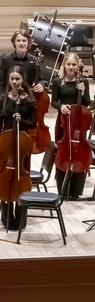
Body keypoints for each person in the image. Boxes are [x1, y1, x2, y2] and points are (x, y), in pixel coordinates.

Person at [0, 66, 36, 230]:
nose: (14, 82)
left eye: (17, 79)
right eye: (12, 79)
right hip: (6, 143)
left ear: (23, 80)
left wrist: (21, 120)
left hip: (23, 145)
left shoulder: (30, 100)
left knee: (21, 180)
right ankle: (6, 217)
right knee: (5, 178)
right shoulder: (3, 98)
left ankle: (20, 217)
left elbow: (33, 123)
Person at [51, 52, 91, 200]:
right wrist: (61, 107)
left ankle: (75, 191)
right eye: (69, 64)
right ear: (64, 65)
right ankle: (62, 188)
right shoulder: (57, 82)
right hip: (63, 123)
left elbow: (87, 103)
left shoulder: (83, 81)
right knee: (61, 151)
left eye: (74, 64)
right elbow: (54, 102)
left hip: (79, 124)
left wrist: (82, 92)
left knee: (78, 154)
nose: (71, 67)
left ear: (78, 66)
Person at [0, 29, 43, 96]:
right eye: (18, 41)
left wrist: (41, 85)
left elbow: (40, 80)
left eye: (24, 40)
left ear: (28, 42)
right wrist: (1, 98)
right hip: (9, 98)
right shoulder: (6, 60)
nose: (21, 43)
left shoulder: (34, 61)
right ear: (14, 42)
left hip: (27, 98)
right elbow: (1, 82)